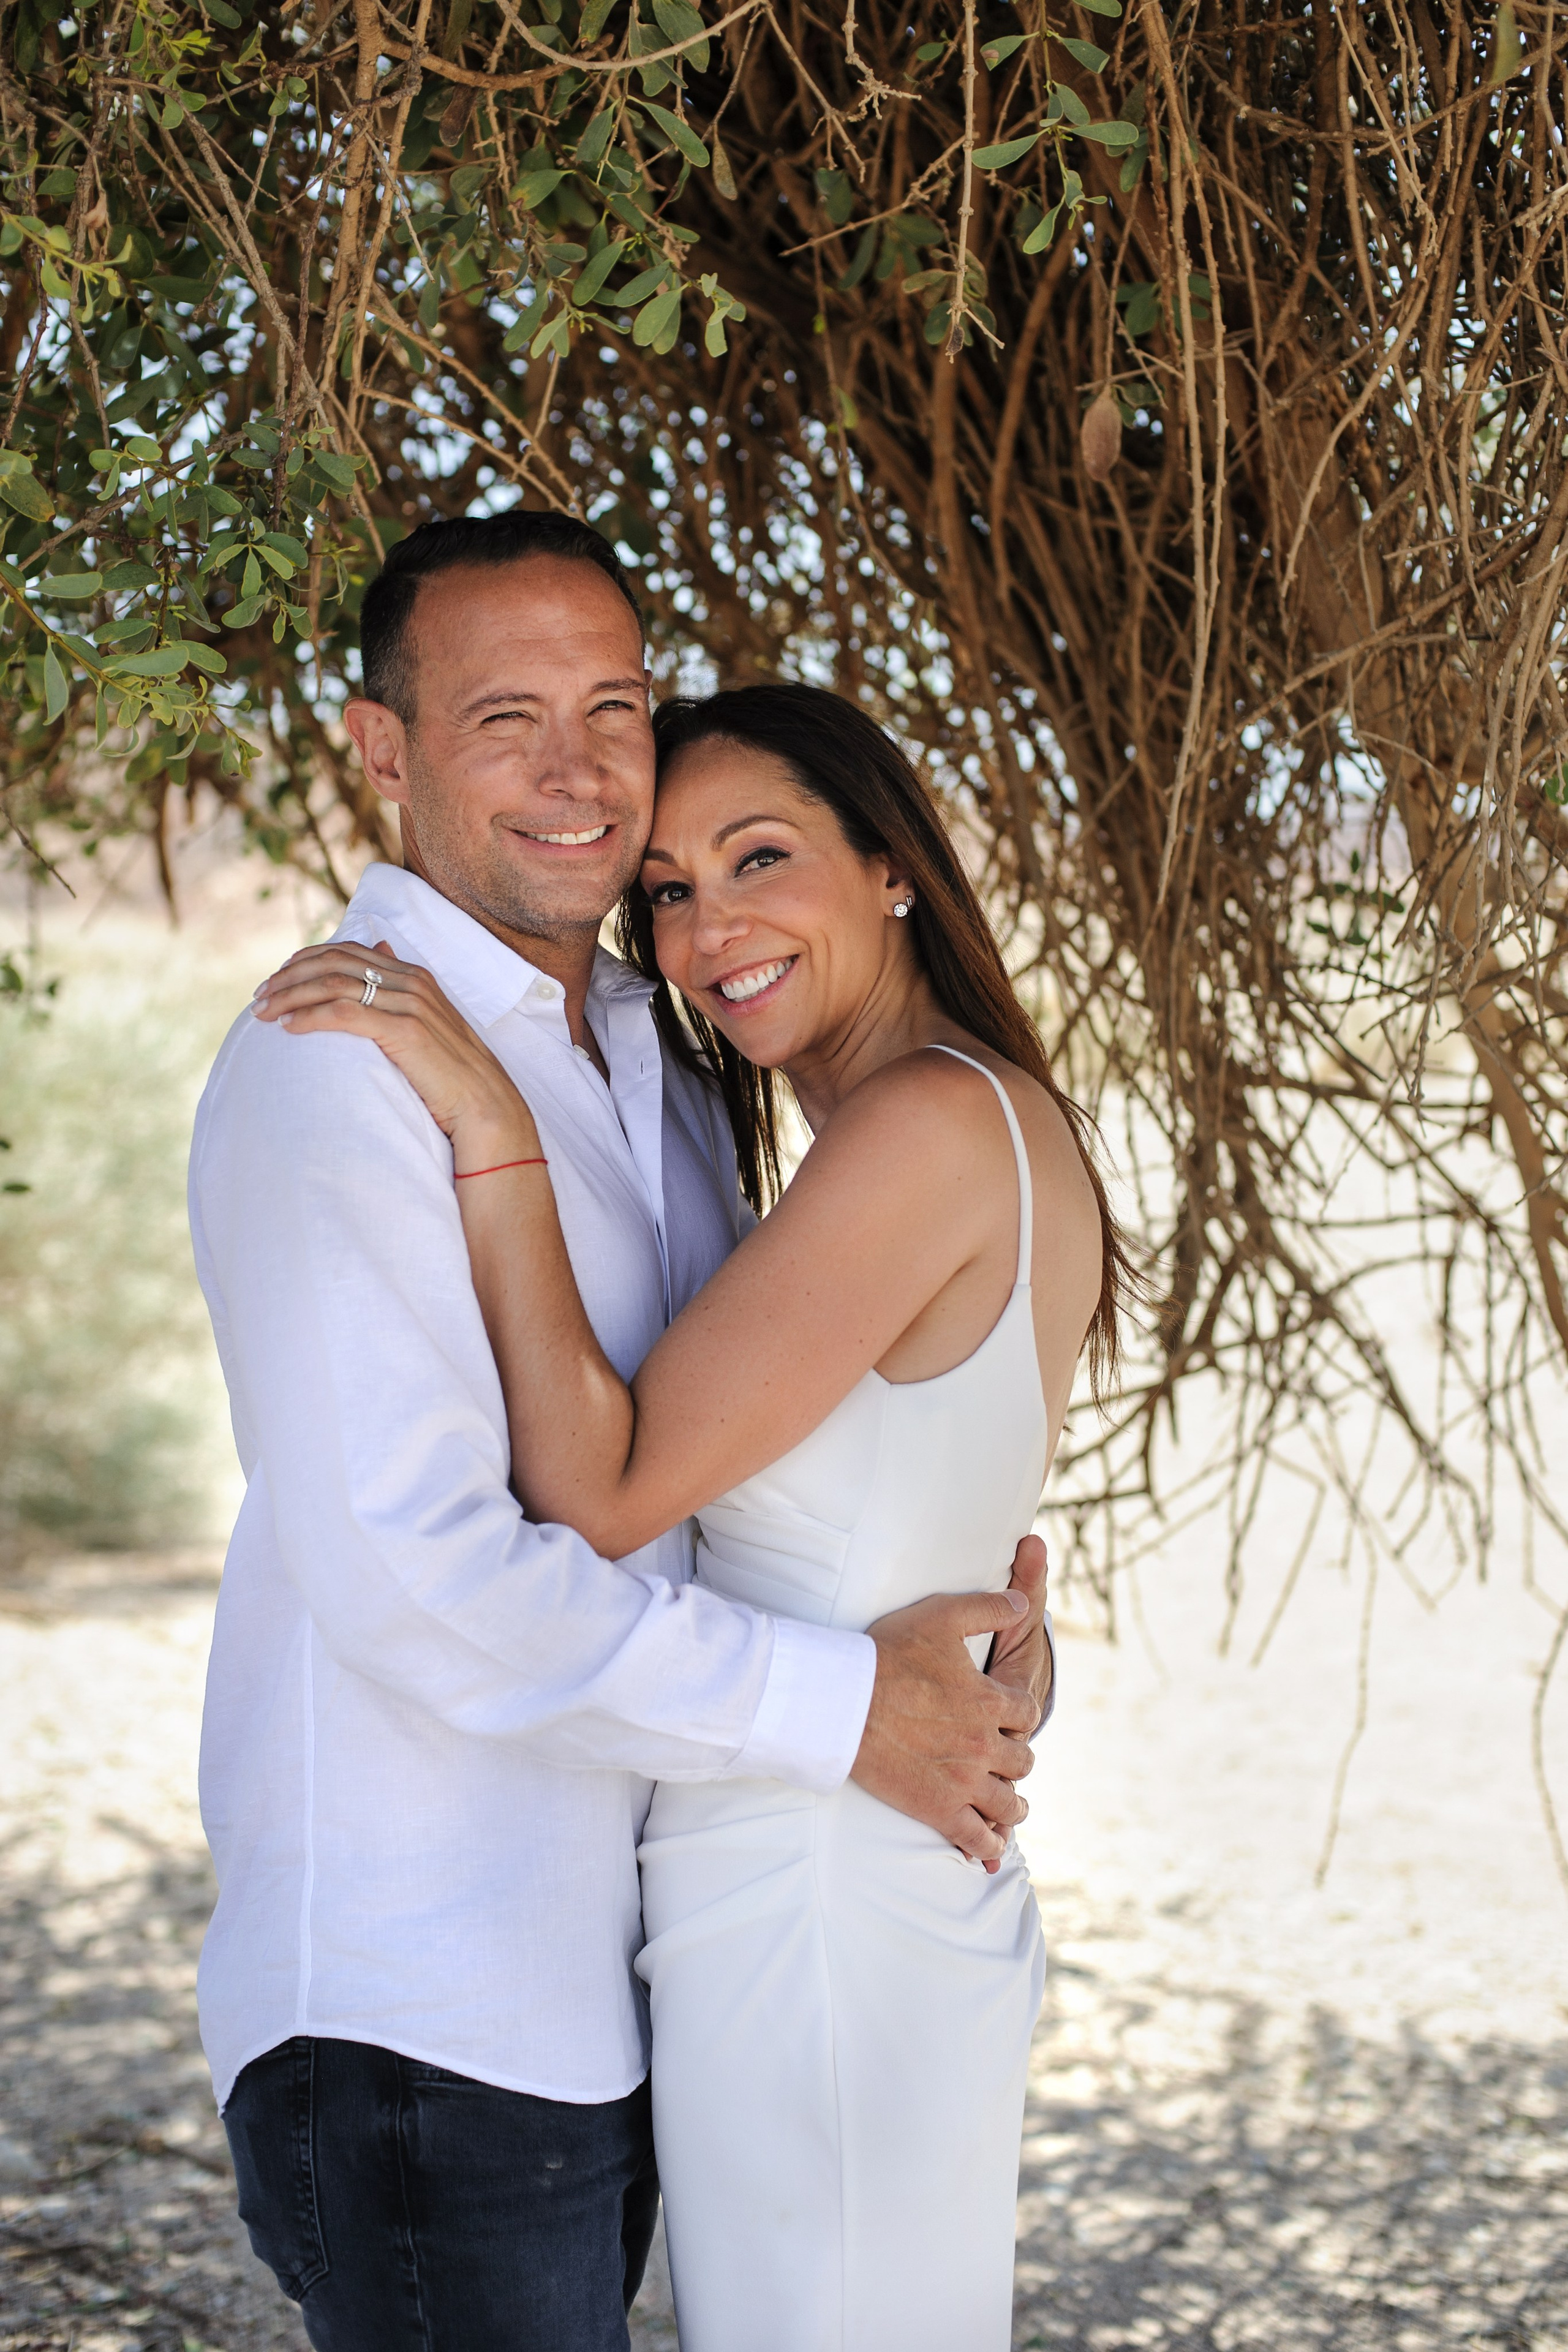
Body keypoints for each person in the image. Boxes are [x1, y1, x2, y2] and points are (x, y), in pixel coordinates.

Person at [192, 510, 1055, 2352]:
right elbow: (420, 1582)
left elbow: (727, 1460)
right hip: (428, 2004)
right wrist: (854, 1707)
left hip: (632, 1981)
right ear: (382, 754)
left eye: (615, 705)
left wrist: (952, 1642)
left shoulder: (650, 1054)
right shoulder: (340, 1066)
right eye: (508, 716)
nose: (582, 772)